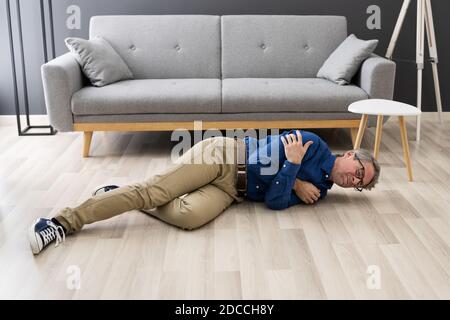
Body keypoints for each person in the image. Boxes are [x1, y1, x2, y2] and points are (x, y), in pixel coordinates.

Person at [28, 130, 380, 255]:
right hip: (224, 156)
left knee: (189, 216)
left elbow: (273, 203)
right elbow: (257, 161)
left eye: (361, 184)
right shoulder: (311, 143)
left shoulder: (320, 192)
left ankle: (116, 193)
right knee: (151, 193)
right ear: (350, 155)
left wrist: (291, 173)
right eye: (359, 170)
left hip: (233, 192)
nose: (355, 180)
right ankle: (61, 222)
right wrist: (292, 172)